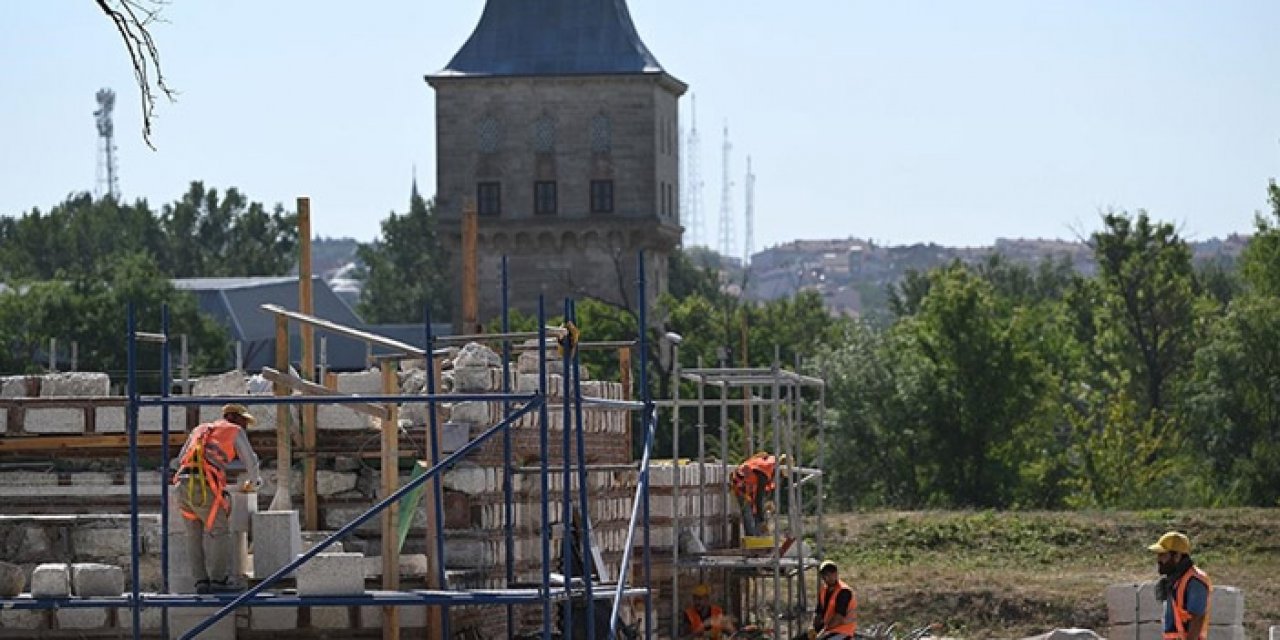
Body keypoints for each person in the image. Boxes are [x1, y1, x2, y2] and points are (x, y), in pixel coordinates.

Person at [173, 403, 262, 594]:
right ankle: (219, 582)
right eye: (245, 422)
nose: (245, 426)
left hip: (182, 485)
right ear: (236, 418)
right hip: (203, 486)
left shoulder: (200, 430)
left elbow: (179, 459)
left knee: (193, 535)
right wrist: (254, 483)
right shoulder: (234, 430)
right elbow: (250, 460)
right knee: (220, 532)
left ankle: (201, 582)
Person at [1148, 531, 1212, 640]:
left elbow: (1197, 618)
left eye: (1163, 555)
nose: (1158, 559)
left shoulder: (1194, 581)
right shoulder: (1175, 581)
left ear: (1177, 556)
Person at [730, 452, 785, 536]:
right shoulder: (765, 470)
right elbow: (758, 498)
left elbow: (767, 490)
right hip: (741, 485)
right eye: (781, 475)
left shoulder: (771, 468)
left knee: (757, 512)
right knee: (748, 512)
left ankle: (758, 535)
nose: (781, 478)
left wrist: (768, 502)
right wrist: (762, 520)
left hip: (750, 486)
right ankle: (751, 537)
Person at [812, 560, 857, 640]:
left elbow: (838, 617)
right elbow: (818, 613)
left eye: (832, 572)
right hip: (829, 630)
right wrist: (813, 629)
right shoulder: (823, 591)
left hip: (844, 631)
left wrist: (822, 631)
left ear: (836, 573)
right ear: (822, 576)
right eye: (826, 574)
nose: (829, 576)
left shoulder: (844, 591)